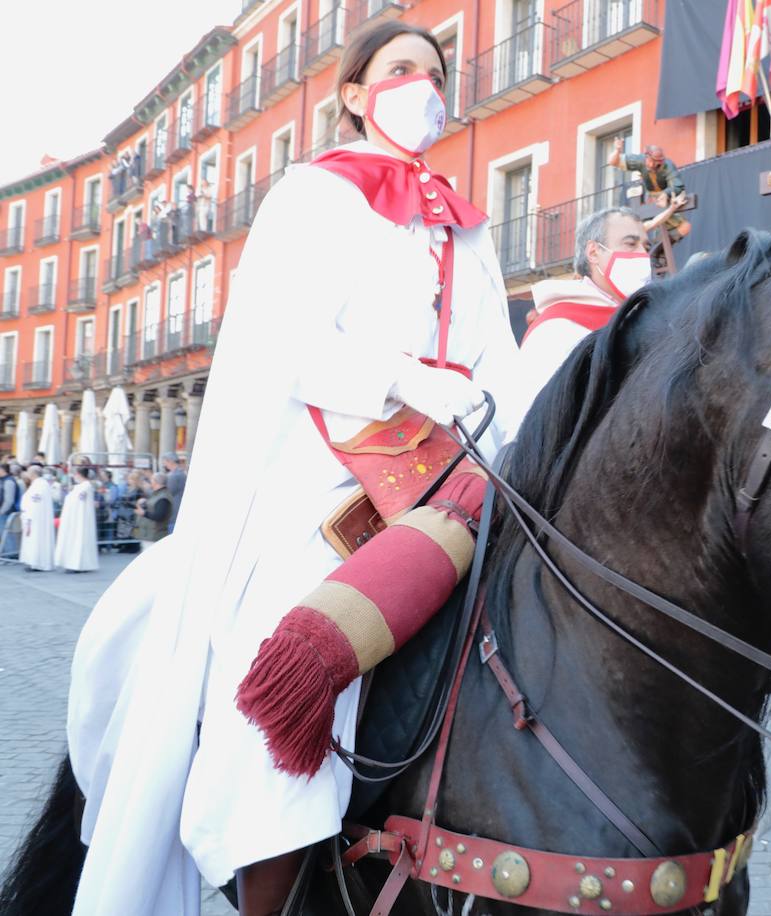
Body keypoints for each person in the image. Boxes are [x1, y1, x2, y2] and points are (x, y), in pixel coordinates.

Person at [65, 20, 529, 916]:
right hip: (325, 474)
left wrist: (505, 425)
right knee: (293, 626)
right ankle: (266, 887)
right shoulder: (313, 196)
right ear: (355, 94)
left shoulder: (464, 226)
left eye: (436, 73)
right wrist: (401, 378)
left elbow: (498, 360)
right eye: (401, 70)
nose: (424, 87)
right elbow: (281, 340)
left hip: (452, 473)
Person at [521, 206, 651, 379]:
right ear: (593, 252)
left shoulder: (645, 319)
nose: (644, 255)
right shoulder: (555, 330)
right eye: (630, 244)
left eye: (646, 247)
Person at [608, 138, 691, 242]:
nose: (652, 165)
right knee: (643, 229)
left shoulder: (668, 165)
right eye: (650, 161)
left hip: (666, 200)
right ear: (646, 157)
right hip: (651, 200)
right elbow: (613, 161)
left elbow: (677, 186)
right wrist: (617, 150)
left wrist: (666, 194)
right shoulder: (639, 160)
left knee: (684, 227)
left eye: (656, 163)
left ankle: (658, 246)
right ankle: (655, 247)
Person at [56, 467, 100, 573]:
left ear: (79, 474)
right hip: (74, 519)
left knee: (79, 540)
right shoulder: (80, 487)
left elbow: (78, 502)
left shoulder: (85, 487)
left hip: (80, 519)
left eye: (75, 474)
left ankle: (79, 564)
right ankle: (74, 563)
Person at [18, 465, 56, 572]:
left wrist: (29, 519)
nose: (27, 474)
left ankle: (37, 563)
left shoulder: (39, 485)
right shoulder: (39, 484)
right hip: (36, 518)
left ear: (33, 473)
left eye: (29, 472)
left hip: (36, 519)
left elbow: (34, 503)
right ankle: (34, 562)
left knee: (36, 540)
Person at [0, 463, 20, 557]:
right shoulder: (4, 480)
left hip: (6, 512)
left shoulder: (8, 482)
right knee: (4, 534)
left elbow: (9, 500)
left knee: (6, 534)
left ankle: (11, 555)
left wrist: (1, 511)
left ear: (2, 470)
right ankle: (7, 554)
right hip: (4, 512)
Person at [162, 454, 187, 530]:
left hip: (174, 511)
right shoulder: (181, 473)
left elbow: (168, 493)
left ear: (170, 461)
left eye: (165, 462)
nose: (164, 464)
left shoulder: (174, 475)